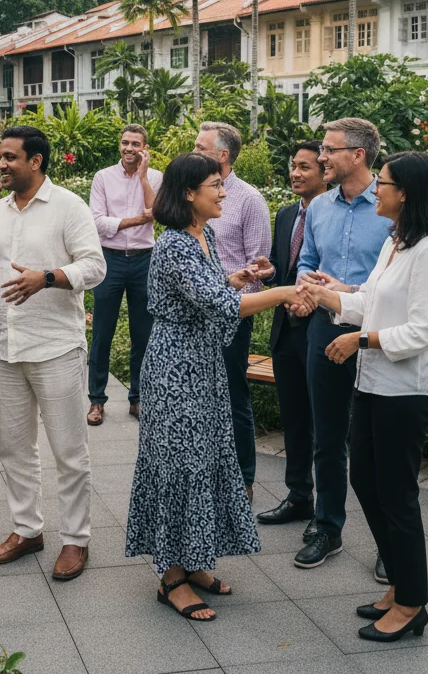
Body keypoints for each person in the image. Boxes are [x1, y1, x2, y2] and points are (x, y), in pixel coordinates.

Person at [125, 153, 304, 622]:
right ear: (189, 194)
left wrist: (236, 278)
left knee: (203, 460)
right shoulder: (173, 245)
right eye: (214, 186)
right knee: (180, 465)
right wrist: (283, 291)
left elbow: (212, 290)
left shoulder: (202, 237)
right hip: (174, 370)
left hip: (202, 365)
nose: (223, 192)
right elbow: (215, 303)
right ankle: (171, 578)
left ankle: (195, 563)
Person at [298, 152, 428, 642]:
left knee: (398, 496)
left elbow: (424, 331)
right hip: (374, 385)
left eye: (383, 184)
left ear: (404, 193)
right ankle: (402, 587)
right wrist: (327, 296)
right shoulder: (397, 244)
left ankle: (411, 602)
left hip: (406, 391)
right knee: (365, 478)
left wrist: (359, 340)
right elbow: (368, 299)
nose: (376, 192)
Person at [0, 126, 106, 582]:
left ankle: (76, 539)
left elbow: (95, 265)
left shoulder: (68, 206)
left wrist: (49, 277)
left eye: (8, 157)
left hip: (56, 346)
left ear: (35, 161)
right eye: (0, 156)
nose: (0, 164)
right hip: (7, 347)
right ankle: (27, 530)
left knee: (68, 450)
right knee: (14, 448)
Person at [290, 118, 392, 571]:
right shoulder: (319, 208)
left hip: (377, 336)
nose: (322, 157)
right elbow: (308, 261)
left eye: (330, 150)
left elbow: (392, 283)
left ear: (358, 155)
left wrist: (344, 290)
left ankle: (392, 546)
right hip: (325, 330)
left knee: (379, 442)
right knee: (327, 435)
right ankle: (328, 527)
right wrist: (305, 285)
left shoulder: (392, 207)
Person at [247, 142, 327, 536]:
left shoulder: (332, 216)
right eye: (292, 166)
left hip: (321, 330)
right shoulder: (285, 215)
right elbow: (286, 269)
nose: (295, 173)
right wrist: (269, 268)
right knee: (294, 420)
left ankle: (328, 513)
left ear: (325, 172)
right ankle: (299, 496)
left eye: (304, 167)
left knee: (326, 426)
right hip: (286, 331)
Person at [194, 122, 271, 499]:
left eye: (200, 146)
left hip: (232, 314)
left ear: (222, 155)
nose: (193, 150)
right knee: (203, 395)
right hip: (197, 315)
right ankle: (209, 472)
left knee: (232, 394)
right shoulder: (194, 195)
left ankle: (244, 479)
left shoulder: (249, 200)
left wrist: (229, 286)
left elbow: (259, 269)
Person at [87, 124, 162, 425]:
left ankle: (138, 398)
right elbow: (97, 222)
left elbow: (158, 212)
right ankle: (96, 401)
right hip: (110, 260)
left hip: (145, 260)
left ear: (145, 148)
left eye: (135, 144)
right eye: (124, 143)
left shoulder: (156, 177)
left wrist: (144, 178)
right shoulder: (103, 177)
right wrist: (134, 220)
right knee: (102, 334)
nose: (129, 148)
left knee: (142, 334)